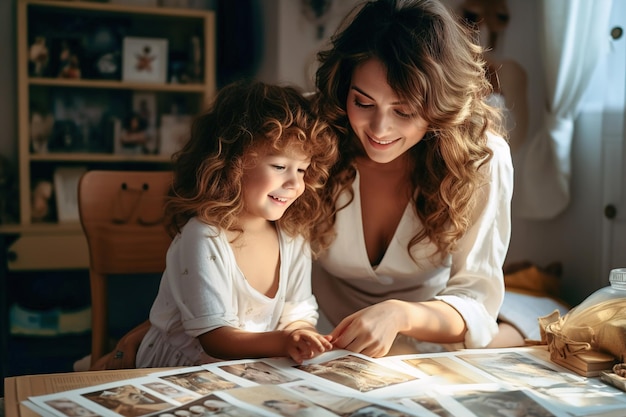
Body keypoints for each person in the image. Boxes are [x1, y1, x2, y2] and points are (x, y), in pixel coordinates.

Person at [310, 0, 514, 357]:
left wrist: (400, 315)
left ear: (440, 106)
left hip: (429, 332)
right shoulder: (308, 133)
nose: (379, 129)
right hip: (315, 331)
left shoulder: (481, 156)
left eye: (403, 110)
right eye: (363, 102)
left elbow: (476, 301)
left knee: (514, 336)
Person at [135, 80, 337, 368]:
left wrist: (300, 334)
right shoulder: (203, 236)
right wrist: (282, 342)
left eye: (302, 170)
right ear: (231, 162)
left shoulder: (293, 236)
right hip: (177, 372)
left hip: (246, 368)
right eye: (279, 166)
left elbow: (298, 311)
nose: (295, 183)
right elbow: (215, 339)